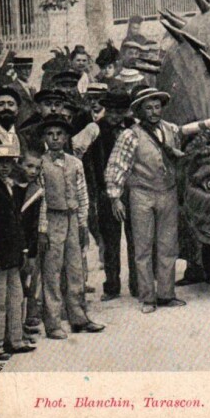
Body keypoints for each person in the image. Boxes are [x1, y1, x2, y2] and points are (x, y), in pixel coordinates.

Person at [105, 86, 185, 314]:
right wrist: (115, 198)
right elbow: (116, 166)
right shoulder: (130, 135)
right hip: (141, 194)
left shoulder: (172, 130)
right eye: (148, 108)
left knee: (168, 245)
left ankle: (167, 294)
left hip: (167, 192)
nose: (153, 112)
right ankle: (147, 297)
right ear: (139, 111)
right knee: (142, 248)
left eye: (157, 107)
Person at [37, 115, 105, 339]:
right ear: (45, 138)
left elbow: (82, 193)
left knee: (76, 269)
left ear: (66, 137)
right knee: (52, 271)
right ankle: (53, 322)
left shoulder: (75, 163)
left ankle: (78, 317)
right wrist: (43, 229)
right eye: (50, 134)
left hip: (72, 218)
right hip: (53, 219)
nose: (55, 138)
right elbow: (42, 198)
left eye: (60, 134)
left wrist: (83, 222)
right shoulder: (41, 164)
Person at [81, 91, 138, 302]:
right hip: (106, 191)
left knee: (135, 238)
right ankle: (112, 286)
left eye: (119, 111)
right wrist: (95, 188)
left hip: (132, 189)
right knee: (110, 240)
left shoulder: (134, 127)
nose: (115, 116)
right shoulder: (96, 129)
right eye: (111, 111)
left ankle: (137, 284)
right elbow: (83, 156)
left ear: (126, 111)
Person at [0, 142, 37, 362]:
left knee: (15, 297)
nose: (4, 166)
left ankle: (15, 340)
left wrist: (22, 250)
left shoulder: (9, 186)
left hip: (12, 254)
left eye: (8, 162)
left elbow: (16, 223)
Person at [14, 149, 46, 339]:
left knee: (27, 282)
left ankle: (24, 321)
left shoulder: (36, 190)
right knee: (16, 287)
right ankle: (15, 326)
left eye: (37, 168)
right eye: (29, 166)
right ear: (20, 165)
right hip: (15, 244)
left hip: (29, 243)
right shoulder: (13, 188)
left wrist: (32, 250)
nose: (33, 171)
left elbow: (35, 223)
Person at [8, 55, 37, 124]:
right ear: (16, 69)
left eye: (29, 68)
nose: (27, 72)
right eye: (24, 68)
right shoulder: (11, 88)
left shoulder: (32, 89)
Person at [0, 86, 22, 151]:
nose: (6, 108)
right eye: (0, 104)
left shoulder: (25, 137)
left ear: (17, 110)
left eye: (11, 104)